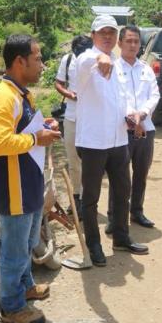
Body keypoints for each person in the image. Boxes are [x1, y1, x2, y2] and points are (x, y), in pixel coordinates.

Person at [0, 34, 62, 323]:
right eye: (38, 58)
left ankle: (25, 286)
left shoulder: (22, 93)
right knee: (15, 249)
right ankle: (12, 306)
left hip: (28, 184)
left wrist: (44, 127)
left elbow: (24, 129)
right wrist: (35, 137)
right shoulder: (4, 96)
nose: (42, 65)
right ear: (20, 61)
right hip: (13, 188)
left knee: (29, 240)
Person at [75, 14, 149, 267]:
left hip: (118, 139)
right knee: (91, 198)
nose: (107, 37)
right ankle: (94, 245)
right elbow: (86, 61)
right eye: (102, 32)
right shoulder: (86, 61)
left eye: (111, 33)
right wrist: (99, 56)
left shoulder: (117, 64)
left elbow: (121, 98)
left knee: (122, 191)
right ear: (93, 35)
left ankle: (121, 237)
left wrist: (133, 115)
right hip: (94, 142)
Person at [105, 25, 160, 230]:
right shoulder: (112, 69)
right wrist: (131, 117)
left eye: (136, 41)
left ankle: (137, 211)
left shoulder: (146, 69)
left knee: (141, 173)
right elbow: (114, 98)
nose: (133, 44)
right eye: (128, 41)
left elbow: (154, 95)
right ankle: (113, 217)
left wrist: (142, 114)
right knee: (118, 175)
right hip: (121, 130)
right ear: (119, 44)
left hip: (146, 129)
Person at [54, 34, 92, 217]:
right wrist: (70, 94)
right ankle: (76, 198)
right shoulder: (68, 60)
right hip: (71, 116)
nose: (82, 55)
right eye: (79, 52)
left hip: (92, 118)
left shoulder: (96, 61)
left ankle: (88, 201)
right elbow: (58, 83)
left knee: (89, 161)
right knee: (73, 159)